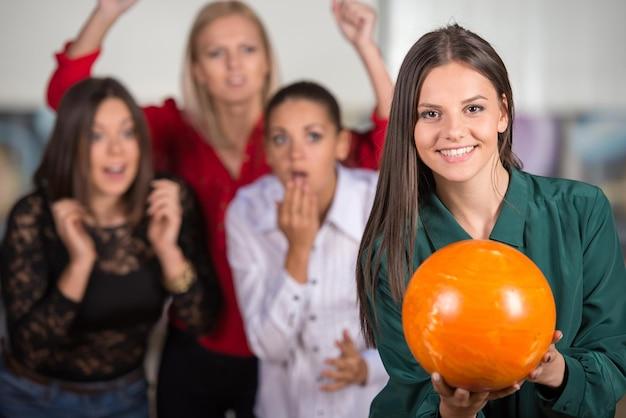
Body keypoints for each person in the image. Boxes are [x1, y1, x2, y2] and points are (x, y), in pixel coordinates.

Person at [46, 1, 393, 416]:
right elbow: (72, 106)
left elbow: (386, 151)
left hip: (279, 352)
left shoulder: (292, 137)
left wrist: (365, 46)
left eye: (247, 50)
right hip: (197, 338)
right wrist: (105, 13)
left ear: (267, 61)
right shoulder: (173, 128)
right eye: (215, 53)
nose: (234, 65)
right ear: (196, 69)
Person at [355, 24, 626, 418]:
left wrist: (555, 370)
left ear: (502, 111)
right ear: (409, 127)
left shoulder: (583, 211)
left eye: (473, 108)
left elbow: (613, 359)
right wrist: (455, 410)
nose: (453, 131)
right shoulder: (392, 250)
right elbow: (413, 396)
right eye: (431, 113)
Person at [0, 77, 219, 418]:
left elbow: (201, 321)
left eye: (127, 132)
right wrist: (80, 263)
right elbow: (30, 348)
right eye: (96, 135)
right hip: (32, 399)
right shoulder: (34, 215)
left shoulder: (166, 202)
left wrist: (168, 251)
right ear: (71, 144)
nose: (116, 150)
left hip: (125, 399)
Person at [226, 80, 388, 418]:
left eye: (313, 136)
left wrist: (367, 368)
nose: (295, 154)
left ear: (341, 144)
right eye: (280, 139)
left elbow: (417, 330)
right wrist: (297, 254)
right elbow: (269, 348)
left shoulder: (376, 204)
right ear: (267, 151)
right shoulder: (247, 212)